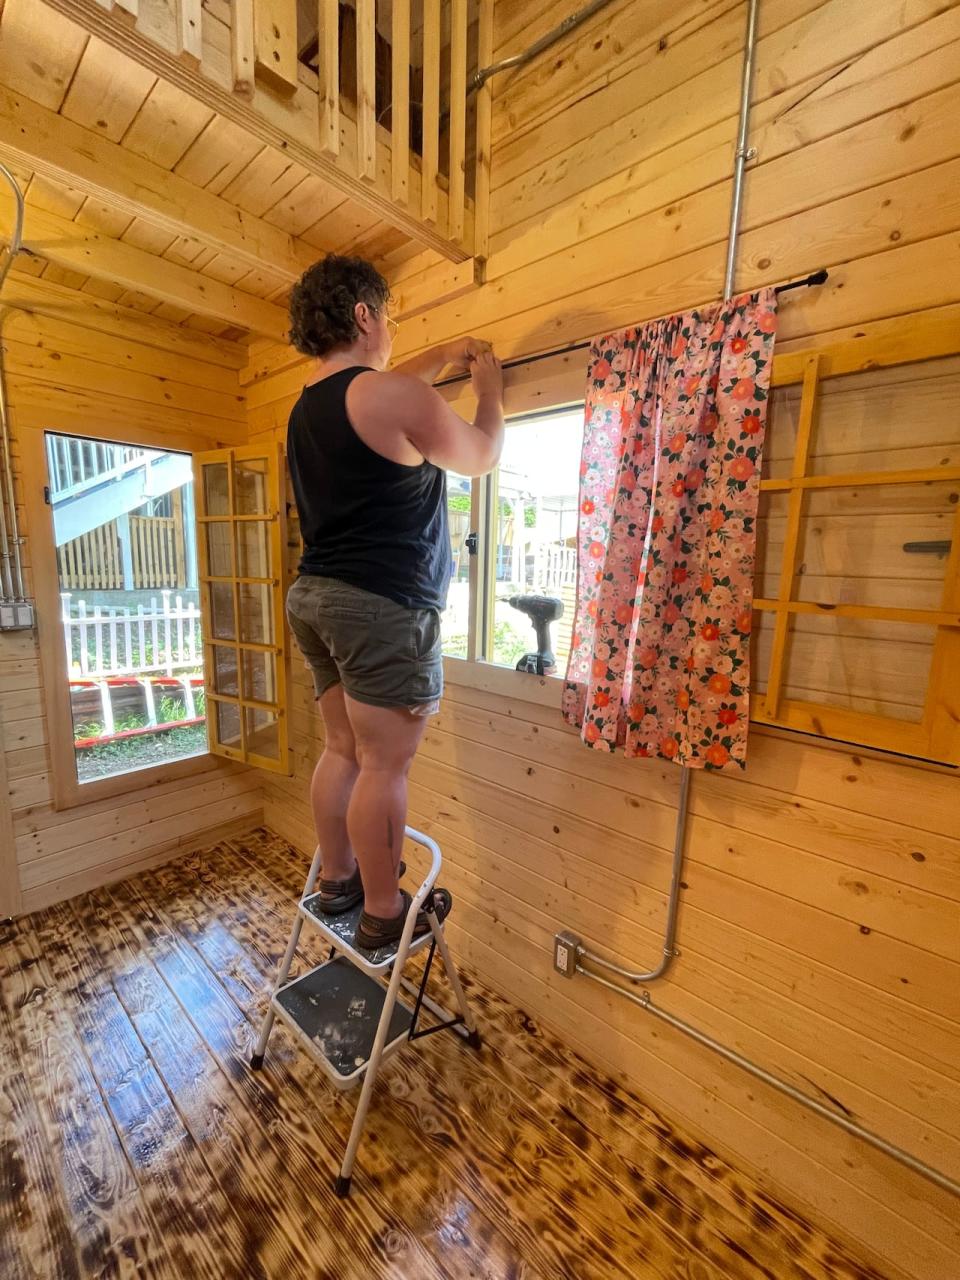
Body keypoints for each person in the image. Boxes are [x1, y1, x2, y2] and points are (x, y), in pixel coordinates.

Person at [284, 254, 504, 950]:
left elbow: (395, 391)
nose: (392, 334)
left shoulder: (305, 407)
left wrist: (442, 353)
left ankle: (338, 881)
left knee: (343, 749)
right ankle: (383, 912)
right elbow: (481, 455)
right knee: (385, 765)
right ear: (364, 316)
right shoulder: (388, 397)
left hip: (314, 595)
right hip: (379, 605)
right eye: (391, 318)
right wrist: (490, 391)